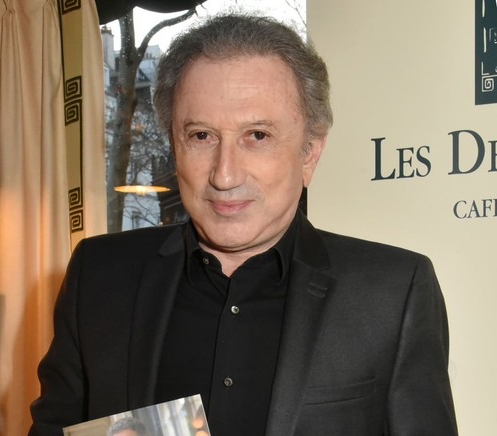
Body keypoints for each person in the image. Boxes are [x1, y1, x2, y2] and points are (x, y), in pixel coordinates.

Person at [29, 13, 458, 436]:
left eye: (257, 136)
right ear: (174, 146)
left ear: (309, 152)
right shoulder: (100, 276)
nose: (225, 174)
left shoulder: (393, 292)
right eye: (201, 136)